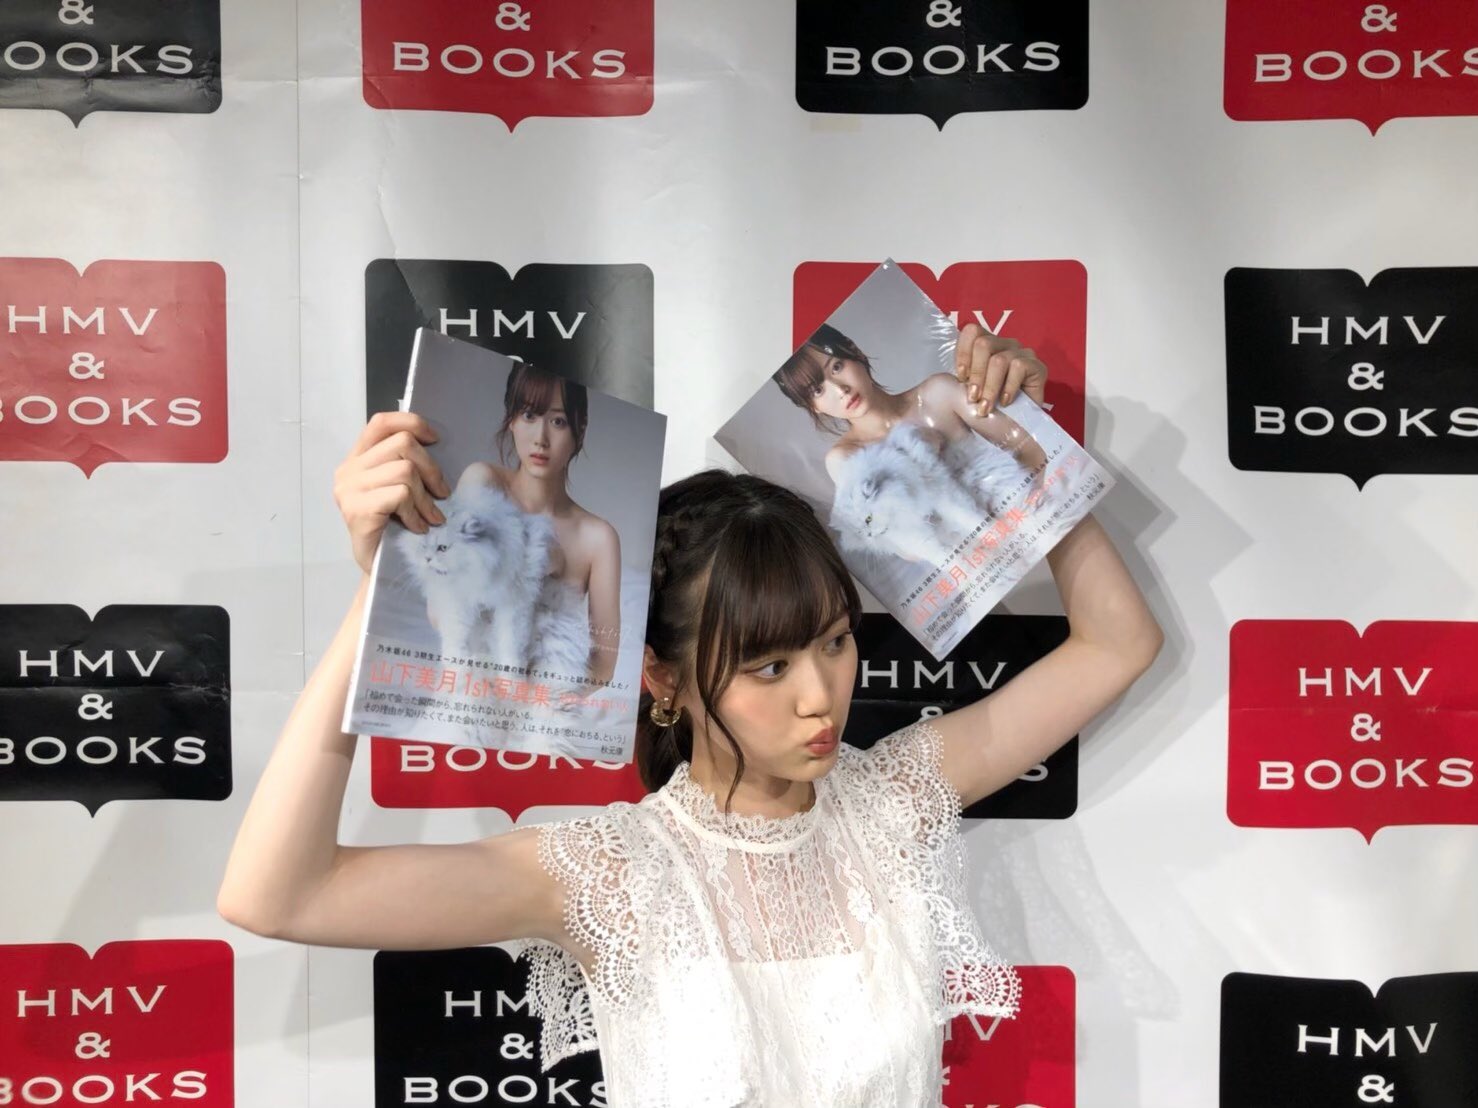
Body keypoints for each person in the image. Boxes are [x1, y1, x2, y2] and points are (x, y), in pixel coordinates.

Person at [217, 324, 1163, 1106]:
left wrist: (1018, 441)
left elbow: (1115, 645)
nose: (819, 696)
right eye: (769, 665)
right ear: (661, 676)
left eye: (836, 642)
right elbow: (279, 894)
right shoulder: (611, 875)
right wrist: (385, 590)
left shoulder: (891, 803)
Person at [774, 322, 1050, 523]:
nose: (840, 390)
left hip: (1023, 522)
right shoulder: (845, 458)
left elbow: (1031, 451)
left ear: (853, 350)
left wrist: (1023, 513)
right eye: (817, 390)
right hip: (973, 564)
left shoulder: (938, 393)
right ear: (811, 406)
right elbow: (903, 541)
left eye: (836, 367)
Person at [451, 363, 622, 685]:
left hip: (545, 701)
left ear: (579, 429)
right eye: (529, 415)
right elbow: (442, 609)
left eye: (558, 421)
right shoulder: (483, 484)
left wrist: (537, 702)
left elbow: (604, 666)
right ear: (512, 419)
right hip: (471, 688)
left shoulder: (598, 538)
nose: (541, 439)